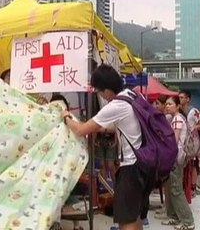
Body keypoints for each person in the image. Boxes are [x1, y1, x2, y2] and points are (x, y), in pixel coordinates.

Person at [61, 64, 154, 230]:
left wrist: (66, 117)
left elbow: (81, 130)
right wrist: (100, 127)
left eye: (99, 91)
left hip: (131, 167)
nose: (100, 95)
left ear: (107, 90)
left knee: (126, 220)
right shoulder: (132, 95)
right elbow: (123, 126)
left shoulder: (116, 105)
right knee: (134, 215)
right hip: (145, 165)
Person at [50, 94, 84, 230]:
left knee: (69, 193)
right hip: (52, 166)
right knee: (55, 195)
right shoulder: (49, 122)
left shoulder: (71, 120)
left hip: (67, 164)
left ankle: (76, 224)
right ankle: (56, 223)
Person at [161, 96, 195, 230]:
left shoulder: (177, 120)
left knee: (176, 190)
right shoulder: (177, 118)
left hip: (175, 159)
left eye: (170, 104)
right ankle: (174, 217)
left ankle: (188, 221)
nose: (167, 106)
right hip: (176, 158)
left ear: (177, 106)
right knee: (171, 188)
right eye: (166, 104)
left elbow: (173, 142)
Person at [179, 90, 200, 199]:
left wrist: (194, 128)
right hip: (182, 142)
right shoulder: (178, 110)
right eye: (179, 97)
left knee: (193, 164)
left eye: (182, 97)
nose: (180, 99)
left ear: (188, 99)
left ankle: (192, 187)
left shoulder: (193, 111)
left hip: (192, 142)